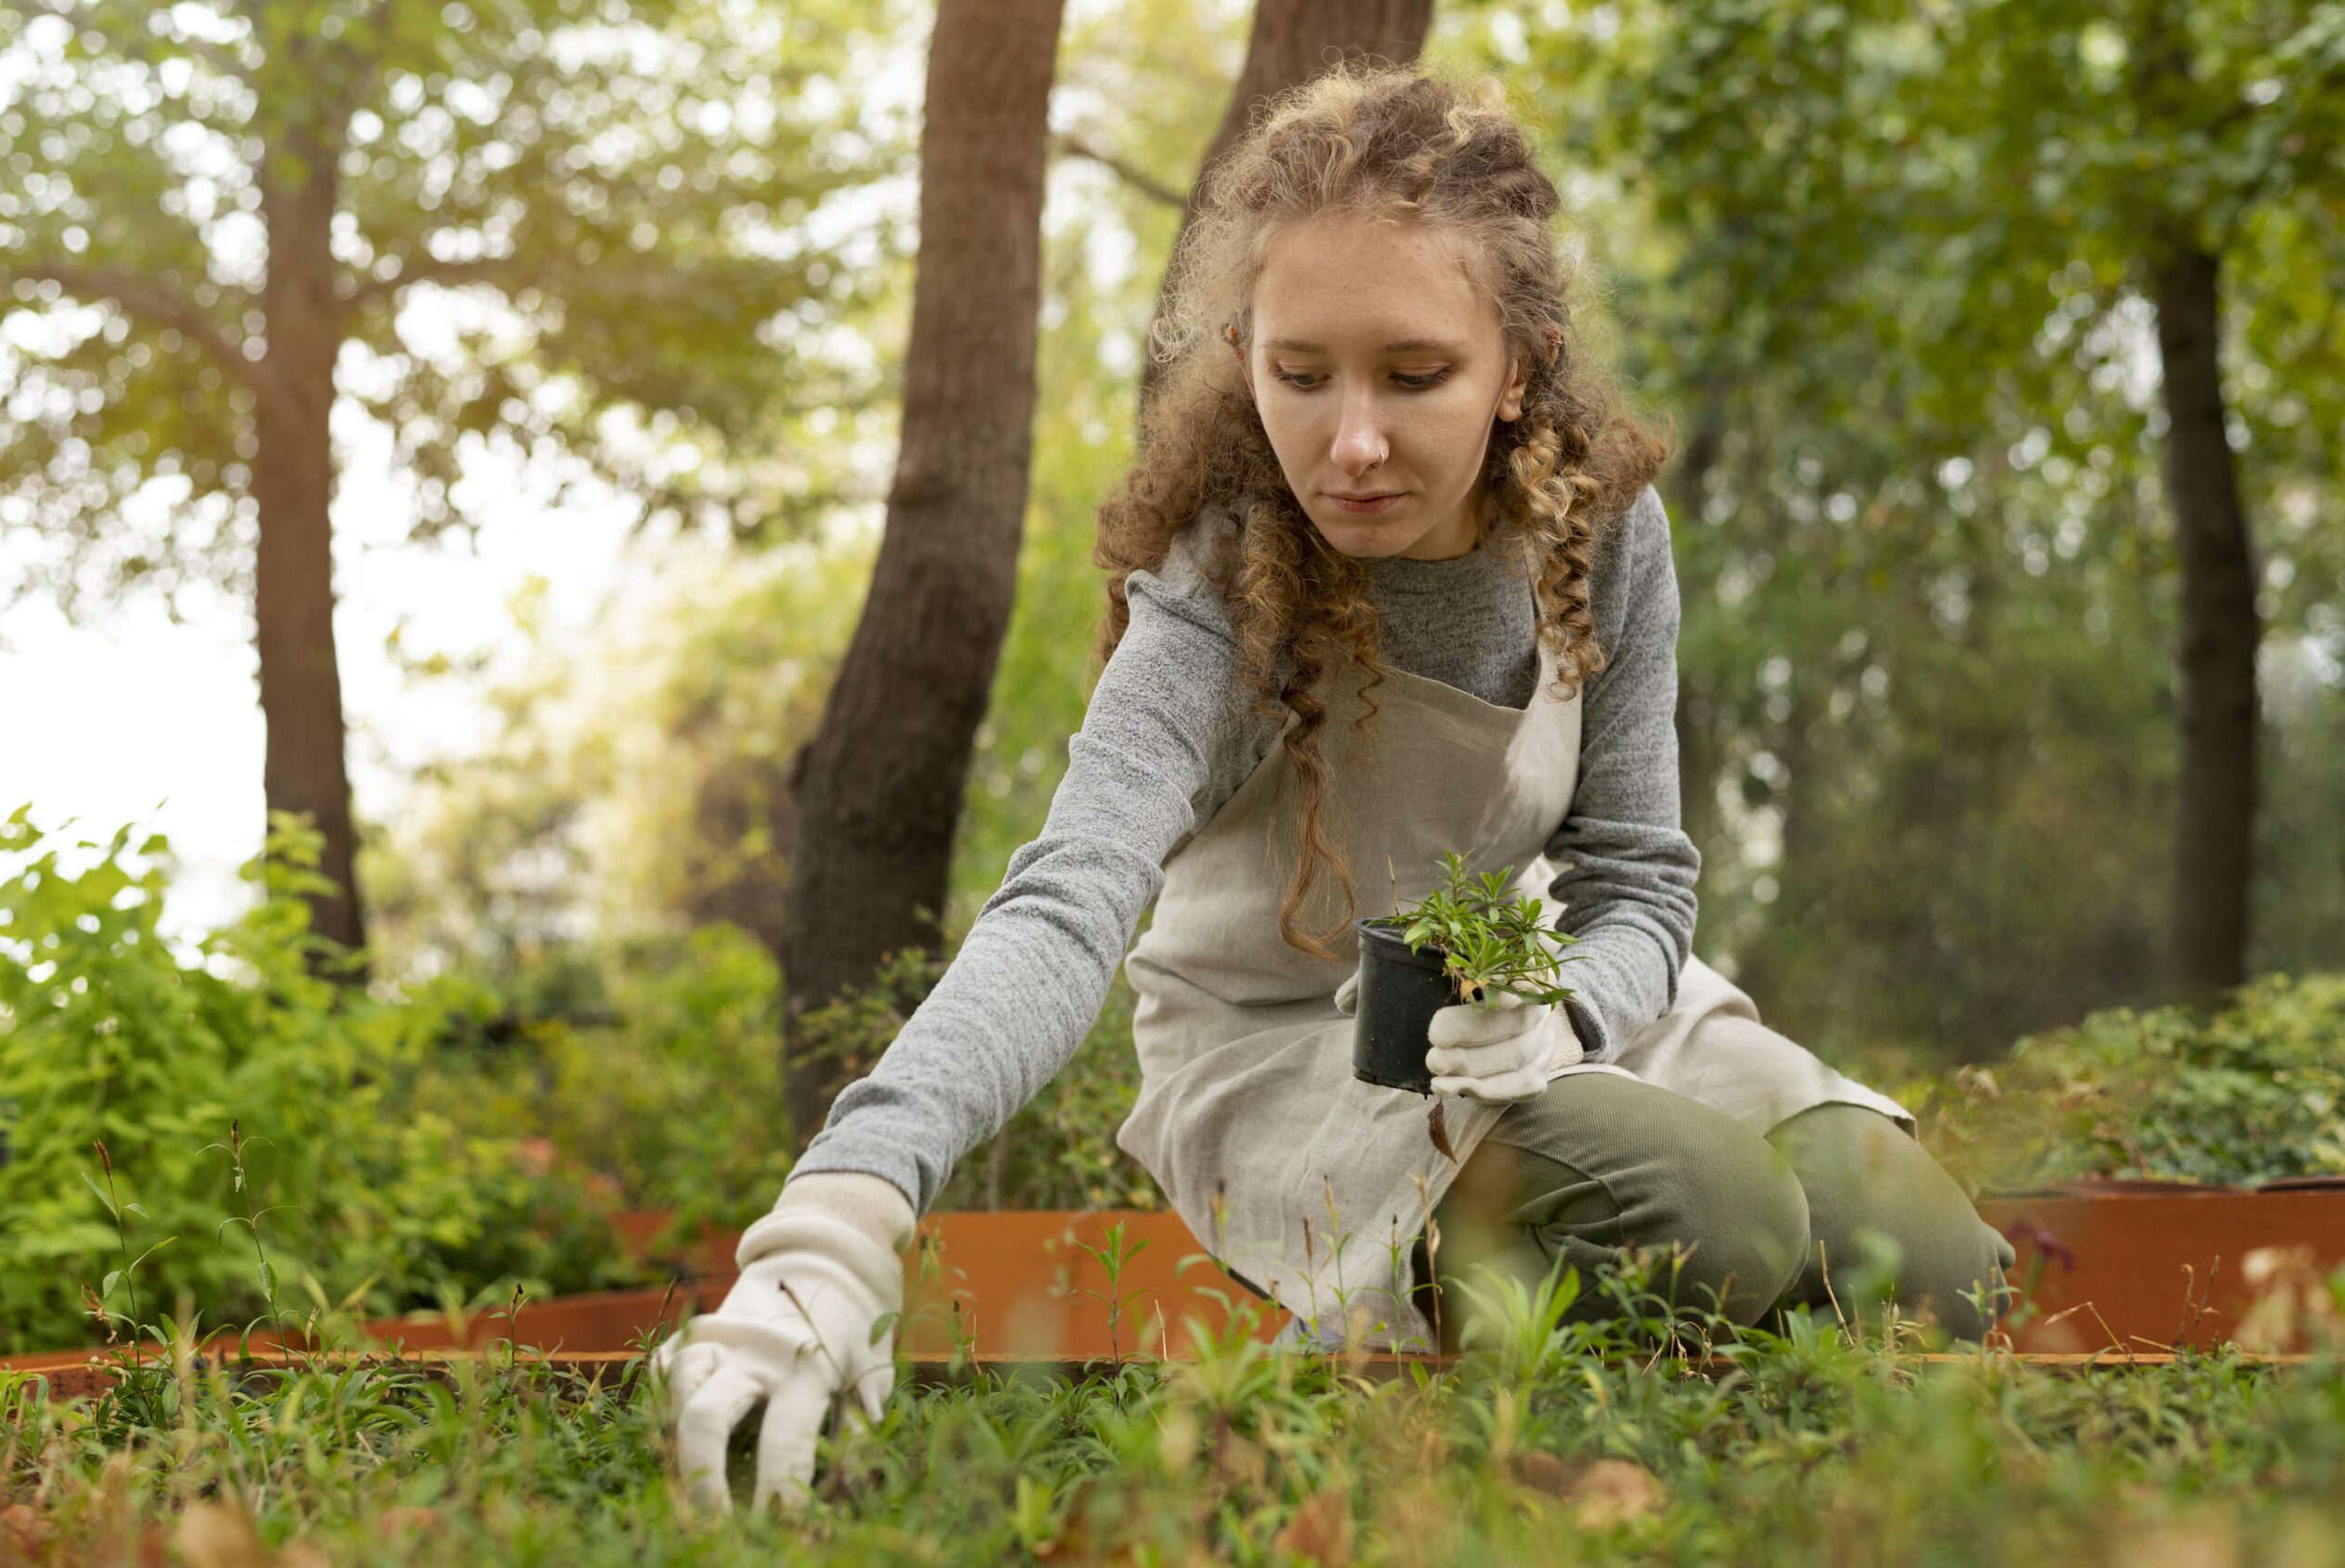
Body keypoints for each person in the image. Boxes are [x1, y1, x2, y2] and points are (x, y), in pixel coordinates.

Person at [656, 62, 2017, 1512]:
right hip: (1285, 1047)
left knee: (1928, 1260)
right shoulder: (1216, 593)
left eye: (1413, 374)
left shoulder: (1603, 532)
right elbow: (1066, 906)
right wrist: (846, 1206)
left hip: (1535, 1009)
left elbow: (1639, 881)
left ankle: (1708, 1441)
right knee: (1708, 1214)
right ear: (1243, 352)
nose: (1349, 442)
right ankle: (1519, 1447)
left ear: (1520, 365)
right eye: (1298, 374)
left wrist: (1566, 1014)